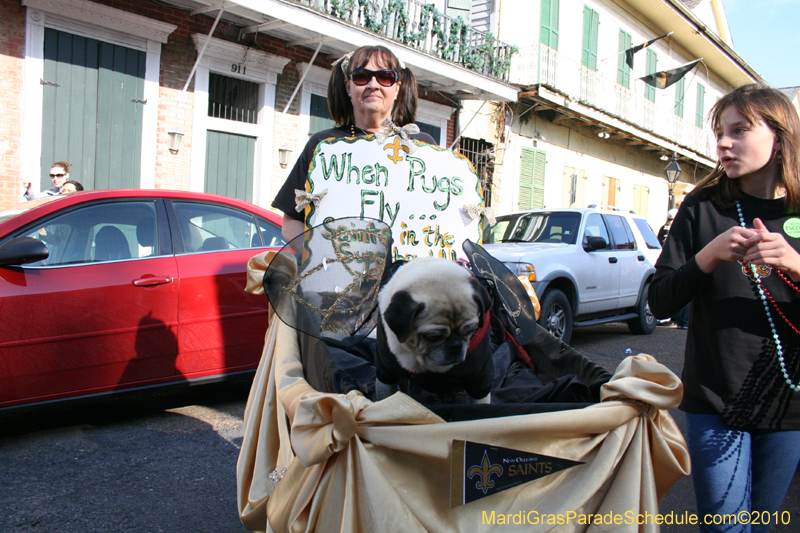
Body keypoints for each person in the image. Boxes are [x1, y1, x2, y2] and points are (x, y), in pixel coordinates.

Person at [648, 84, 800, 532]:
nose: (723, 143)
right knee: (726, 528)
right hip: (714, 402)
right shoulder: (702, 206)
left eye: (739, 130)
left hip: (786, 404)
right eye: (719, 132)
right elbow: (659, 301)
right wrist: (708, 255)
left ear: (779, 136)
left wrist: (793, 262)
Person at [272, 45, 436, 243]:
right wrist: (317, 258)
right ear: (348, 86)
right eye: (361, 76)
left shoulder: (421, 145)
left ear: (397, 88)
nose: (373, 84)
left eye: (385, 77)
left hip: (406, 272)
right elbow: (291, 221)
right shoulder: (323, 146)